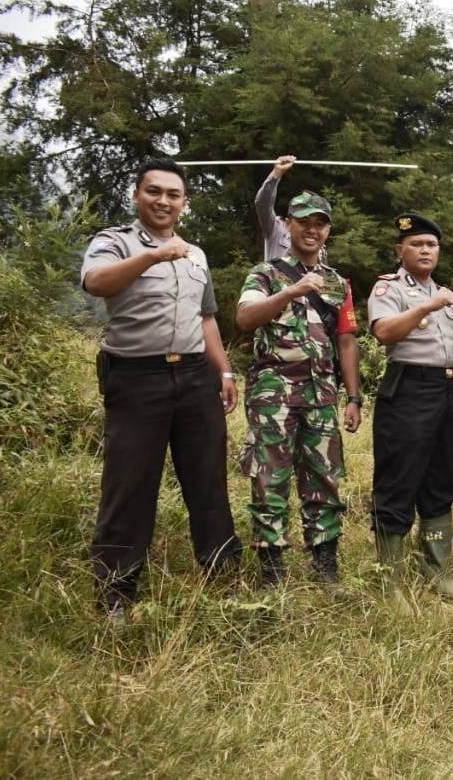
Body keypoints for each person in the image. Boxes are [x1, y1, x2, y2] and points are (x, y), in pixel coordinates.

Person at [81, 158, 241, 620]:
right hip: (136, 378)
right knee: (129, 485)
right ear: (137, 195)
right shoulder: (114, 242)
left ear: (184, 203)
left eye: (173, 195)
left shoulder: (196, 254)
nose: (163, 201)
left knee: (208, 479)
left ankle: (223, 578)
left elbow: (206, 316)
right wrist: (150, 256)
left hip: (195, 377)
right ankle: (116, 591)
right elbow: (95, 283)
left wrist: (225, 371)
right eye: (154, 191)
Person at [235, 191, 363, 587]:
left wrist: (354, 397)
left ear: (328, 230)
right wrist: (290, 291)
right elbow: (244, 318)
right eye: (303, 221)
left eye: (320, 223)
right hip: (273, 394)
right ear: (288, 224)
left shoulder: (338, 283)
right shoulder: (265, 274)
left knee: (325, 478)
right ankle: (272, 570)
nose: (312, 229)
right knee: (269, 479)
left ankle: (325, 565)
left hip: (321, 395)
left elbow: (346, 340)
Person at [368, 213, 453, 602]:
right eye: (417, 244)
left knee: (441, 481)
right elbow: (384, 333)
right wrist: (427, 307)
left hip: (445, 391)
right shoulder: (389, 289)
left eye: (431, 244)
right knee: (398, 481)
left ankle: (437, 575)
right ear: (401, 250)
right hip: (408, 391)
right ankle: (390, 582)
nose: (426, 250)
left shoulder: (445, 295)